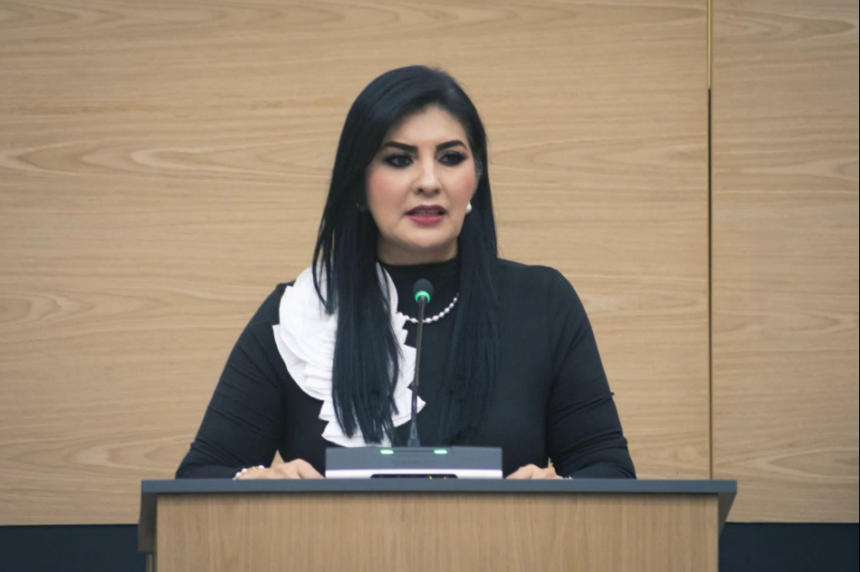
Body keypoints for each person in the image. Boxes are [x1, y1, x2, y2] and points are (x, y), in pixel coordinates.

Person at [176, 65, 635, 481]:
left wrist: (561, 492)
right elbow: (200, 477)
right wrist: (253, 484)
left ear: (476, 179)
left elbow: (610, 471)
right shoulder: (301, 311)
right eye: (399, 159)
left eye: (451, 158)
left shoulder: (542, 302)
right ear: (359, 184)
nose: (429, 182)